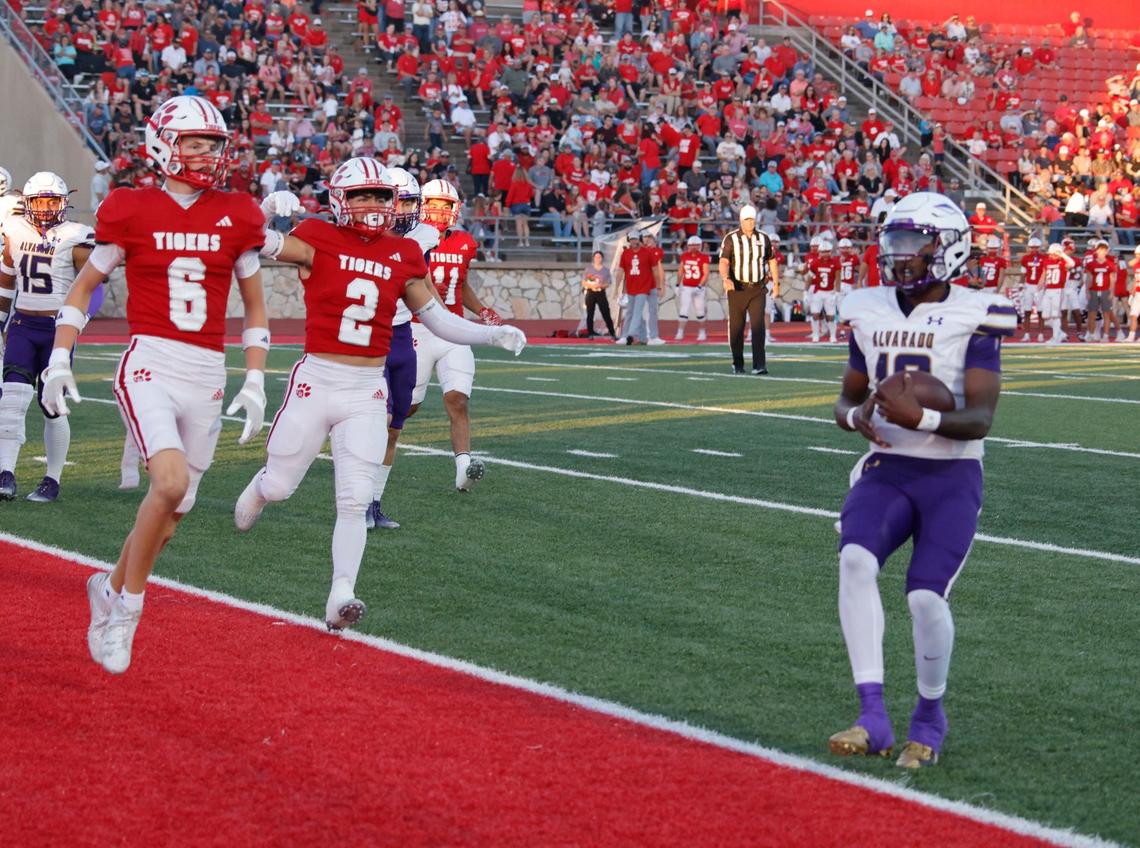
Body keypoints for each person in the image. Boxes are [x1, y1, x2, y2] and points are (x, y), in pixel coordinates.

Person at [235, 159, 525, 631]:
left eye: (381, 196)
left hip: (367, 388)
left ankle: (341, 594)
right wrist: (265, 209)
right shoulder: (316, 235)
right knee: (281, 486)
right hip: (317, 380)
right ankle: (261, 486)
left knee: (353, 500)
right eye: (362, 195)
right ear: (338, 200)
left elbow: (437, 319)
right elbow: (249, 242)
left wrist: (491, 335)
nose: (373, 205)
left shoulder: (403, 253)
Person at [41, 96, 271, 675]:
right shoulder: (131, 208)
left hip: (208, 371)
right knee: (167, 484)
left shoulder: (237, 212)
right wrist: (60, 358)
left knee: (175, 510)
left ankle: (108, 584)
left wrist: (255, 377)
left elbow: (256, 307)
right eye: (195, 142)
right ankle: (127, 611)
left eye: (214, 144)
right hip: (150, 361)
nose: (207, 154)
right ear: (164, 144)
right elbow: (85, 286)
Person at [831, 191, 1016, 769]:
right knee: (855, 562)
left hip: (951, 475)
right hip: (889, 467)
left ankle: (930, 715)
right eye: (892, 243)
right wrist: (854, 416)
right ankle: (872, 715)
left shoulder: (979, 311)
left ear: (947, 248)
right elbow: (846, 397)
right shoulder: (866, 307)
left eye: (911, 243)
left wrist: (926, 417)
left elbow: (981, 419)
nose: (898, 255)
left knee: (924, 596)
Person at [0, 173, 94, 503]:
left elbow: (92, 286)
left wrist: (78, 321)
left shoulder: (76, 235)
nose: (45, 208)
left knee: (51, 403)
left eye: (52, 201)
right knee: (11, 398)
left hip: (57, 329)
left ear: (63, 203)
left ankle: (52, 479)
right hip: (23, 325)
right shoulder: (14, 229)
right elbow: (7, 278)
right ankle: (5, 473)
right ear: (28, 203)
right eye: (39, 201)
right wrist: (0, 322)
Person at [408, 178, 506, 491]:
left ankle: (464, 468)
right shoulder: (411, 240)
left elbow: (459, 285)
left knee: (458, 399)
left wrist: (482, 311)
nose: (439, 211)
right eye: (433, 204)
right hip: (418, 328)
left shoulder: (464, 242)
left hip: (453, 331)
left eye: (445, 205)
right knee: (407, 407)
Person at [365, 166, 439, 530]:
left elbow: (426, 288)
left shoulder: (423, 237)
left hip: (402, 335)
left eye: (412, 201)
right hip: (370, 338)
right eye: (402, 200)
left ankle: (373, 503)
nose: (408, 209)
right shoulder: (363, 237)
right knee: (372, 425)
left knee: (395, 427)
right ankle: (356, 501)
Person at [719, 205, 778, 373]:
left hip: (758, 288)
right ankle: (738, 363)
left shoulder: (764, 238)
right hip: (737, 288)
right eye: (747, 219)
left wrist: (776, 283)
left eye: (752, 219)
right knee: (737, 328)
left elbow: (771, 260)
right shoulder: (731, 239)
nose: (750, 222)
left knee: (758, 326)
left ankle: (759, 365)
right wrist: (726, 278)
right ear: (741, 221)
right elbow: (724, 262)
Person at [615, 231, 665, 345]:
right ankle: (641, 337)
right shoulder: (626, 253)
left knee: (650, 311)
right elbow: (621, 271)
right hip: (634, 286)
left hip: (647, 286)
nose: (634, 241)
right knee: (633, 312)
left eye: (649, 237)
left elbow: (657, 270)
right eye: (631, 239)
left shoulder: (651, 252)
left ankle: (637, 335)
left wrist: (660, 285)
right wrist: (617, 288)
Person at [1083, 239, 1119, 342]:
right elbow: (1088, 278)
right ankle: (1090, 333)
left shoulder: (1110, 264)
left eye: (1104, 250)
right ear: (1096, 250)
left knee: (1106, 314)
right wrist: (1087, 291)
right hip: (1094, 290)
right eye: (1100, 249)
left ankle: (1105, 335)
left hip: (1105, 290)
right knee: (1091, 314)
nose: (1102, 252)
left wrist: (1112, 292)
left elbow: (1112, 279)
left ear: (1107, 251)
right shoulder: (1091, 264)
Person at [675, 235, 709, 342]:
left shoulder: (704, 257)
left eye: (696, 245)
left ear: (700, 246)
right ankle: (680, 332)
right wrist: (677, 284)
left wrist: (700, 285)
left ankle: (702, 332)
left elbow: (706, 273)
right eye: (692, 245)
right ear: (688, 246)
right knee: (684, 310)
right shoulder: (684, 256)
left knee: (700, 311)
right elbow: (680, 271)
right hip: (686, 287)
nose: (694, 247)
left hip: (699, 288)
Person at [581, 250, 616, 339]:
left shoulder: (605, 270)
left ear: (602, 258)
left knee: (606, 312)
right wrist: (591, 285)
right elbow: (583, 282)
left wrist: (600, 285)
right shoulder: (589, 269)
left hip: (600, 293)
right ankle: (590, 333)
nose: (597, 259)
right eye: (596, 257)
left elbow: (608, 283)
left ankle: (612, 332)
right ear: (593, 258)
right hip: (590, 292)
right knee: (590, 313)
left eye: (599, 257)